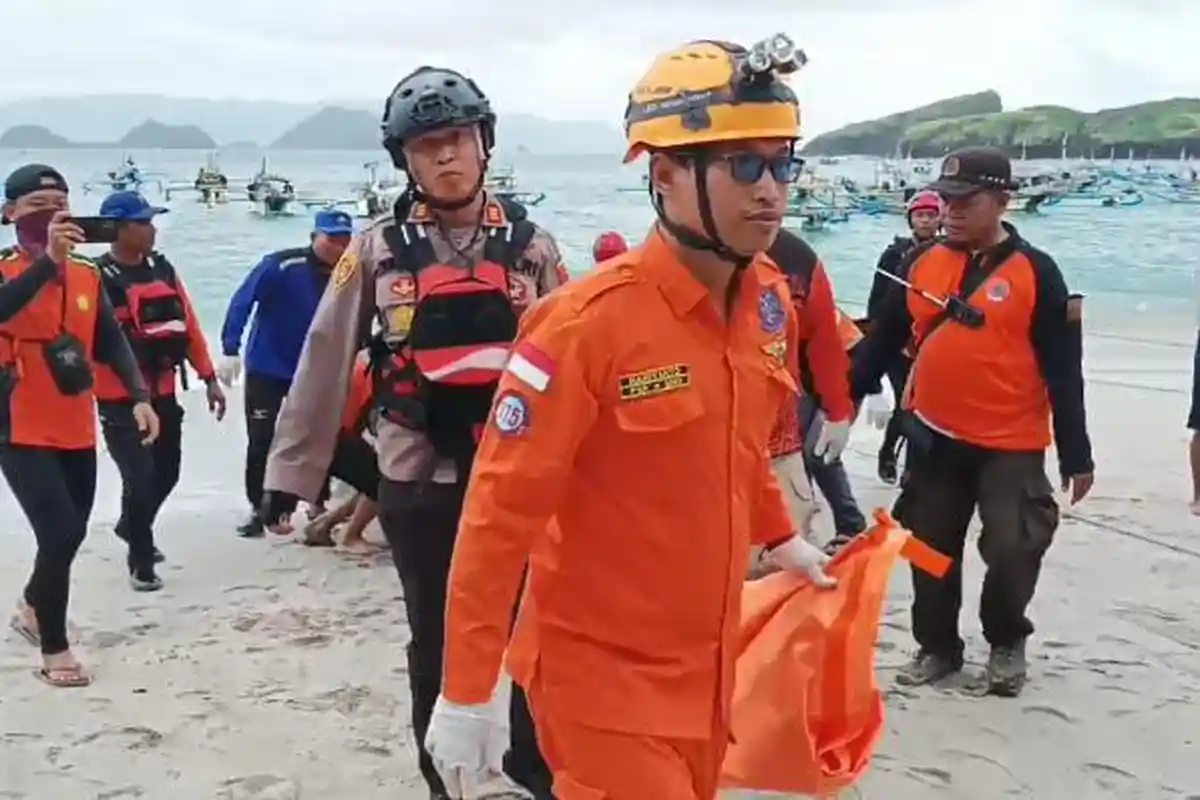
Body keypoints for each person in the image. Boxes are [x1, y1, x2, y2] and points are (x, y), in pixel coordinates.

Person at [424, 35, 838, 800]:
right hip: (600, 687)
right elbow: (497, 517)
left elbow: (737, 442)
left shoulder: (762, 298)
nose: (771, 190)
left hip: (709, 671)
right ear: (667, 176)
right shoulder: (584, 325)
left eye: (783, 163)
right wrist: (467, 688)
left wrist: (780, 537)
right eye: (744, 165)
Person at [260, 66, 569, 800]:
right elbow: (324, 357)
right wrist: (289, 475)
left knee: (533, 631)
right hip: (417, 484)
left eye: (457, 139)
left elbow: (578, 362)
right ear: (405, 159)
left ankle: (533, 761)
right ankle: (443, 779)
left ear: (484, 143)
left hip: (517, 480)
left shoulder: (534, 248)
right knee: (434, 638)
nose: (446, 157)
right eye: (427, 146)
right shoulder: (376, 251)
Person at [851, 147, 1095, 697]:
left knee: (1015, 546)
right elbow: (884, 336)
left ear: (1003, 201)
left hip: (1012, 442)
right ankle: (937, 646)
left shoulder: (1037, 272)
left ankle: (1007, 639)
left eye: (967, 201)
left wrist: (1077, 454)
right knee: (926, 545)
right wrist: (845, 400)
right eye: (947, 199)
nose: (951, 211)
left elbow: (1064, 368)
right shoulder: (921, 263)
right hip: (934, 435)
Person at [0, 164, 160, 687]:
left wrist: (139, 396)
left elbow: (110, 340)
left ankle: (31, 602)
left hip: (74, 420)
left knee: (68, 534)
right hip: (16, 420)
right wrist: (49, 259)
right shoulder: (5, 267)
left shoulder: (89, 275)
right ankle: (55, 647)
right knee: (61, 530)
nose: (52, 211)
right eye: (38, 203)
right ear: (9, 213)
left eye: (60, 202)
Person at [92, 190, 227, 589]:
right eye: (142, 223)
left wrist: (209, 378)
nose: (152, 230)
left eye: (151, 222)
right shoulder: (95, 276)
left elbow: (190, 327)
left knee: (167, 473)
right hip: (119, 399)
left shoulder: (163, 270)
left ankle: (130, 526)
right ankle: (141, 559)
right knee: (139, 476)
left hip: (164, 391)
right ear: (117, 228)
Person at [217, 209, 353, 537]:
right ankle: (258, 509)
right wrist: (230, 349)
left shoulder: (352, 271)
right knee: (262, 439)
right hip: (268, 366)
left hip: (318, 370)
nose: (338, 246)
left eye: (345, 240)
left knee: (317, 437)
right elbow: (242, 301)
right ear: (313, 238)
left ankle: (316, 502)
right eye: (331, 239)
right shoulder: (280, 265)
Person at [762, 229, 855, 550]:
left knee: (793, 533)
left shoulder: (798, 259)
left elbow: (825, 340)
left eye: (781, 176)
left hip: (783, 427)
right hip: (713, 439)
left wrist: (839, 410)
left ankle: (850, 525)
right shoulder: (691, 261)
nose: (767, 192)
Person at [867, 189, 943, 483]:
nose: (925, 221)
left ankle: (917, 466)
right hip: (898, 342)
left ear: (941, 218)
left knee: (929, 406)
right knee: (905, 403)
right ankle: (889, 452)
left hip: (932, 342)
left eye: (931, 215)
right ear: (910, 219)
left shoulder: (950, 252)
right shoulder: (894, 253)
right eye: (920, 215)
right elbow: (877, 299)